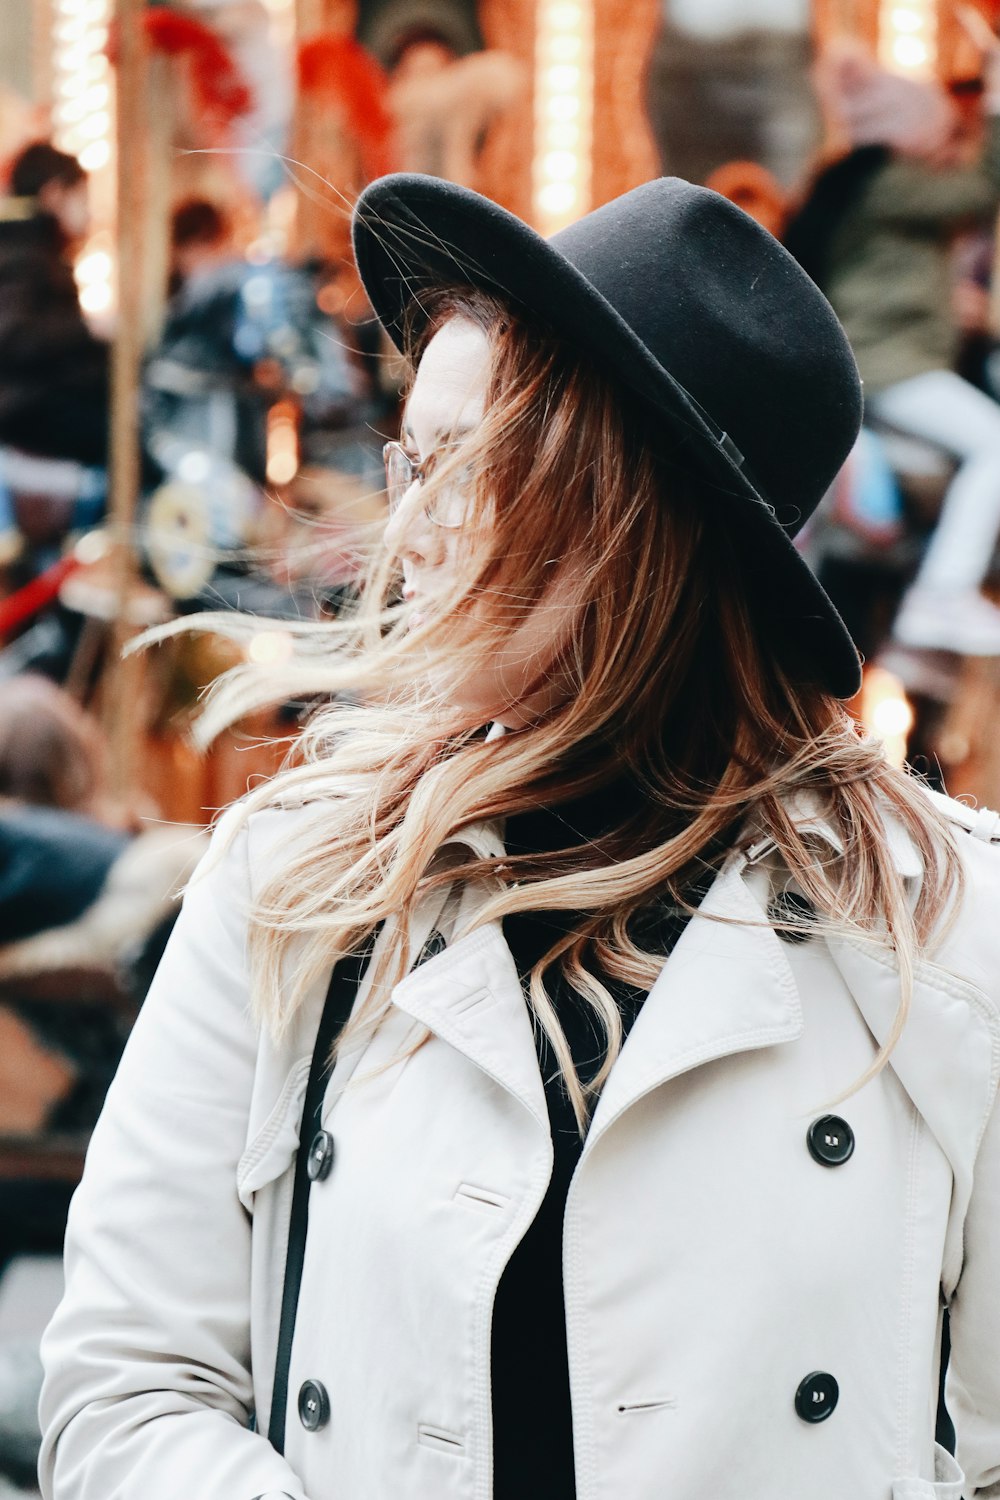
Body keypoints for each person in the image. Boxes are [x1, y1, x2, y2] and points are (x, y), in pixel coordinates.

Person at [36, 170, 1000, 1500]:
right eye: (408, 459)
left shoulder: (948, 927)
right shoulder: (299, 880)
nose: (407, 529)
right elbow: (131, 1385)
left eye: (463, 468)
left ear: (627, 523)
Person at [784, 36, 1000, 657]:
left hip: (880, 364)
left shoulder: (859, 187)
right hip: (891, 366)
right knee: (992, 444)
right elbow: (983, 191)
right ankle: (942, 593)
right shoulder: (895, 184)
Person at [0, 141, 108, 468]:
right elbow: (13, 335)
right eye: (82, 199)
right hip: (24, 407)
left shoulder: (37, 250)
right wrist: (88, 329)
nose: (88, 214)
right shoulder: (22, 252)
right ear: (54, 194)